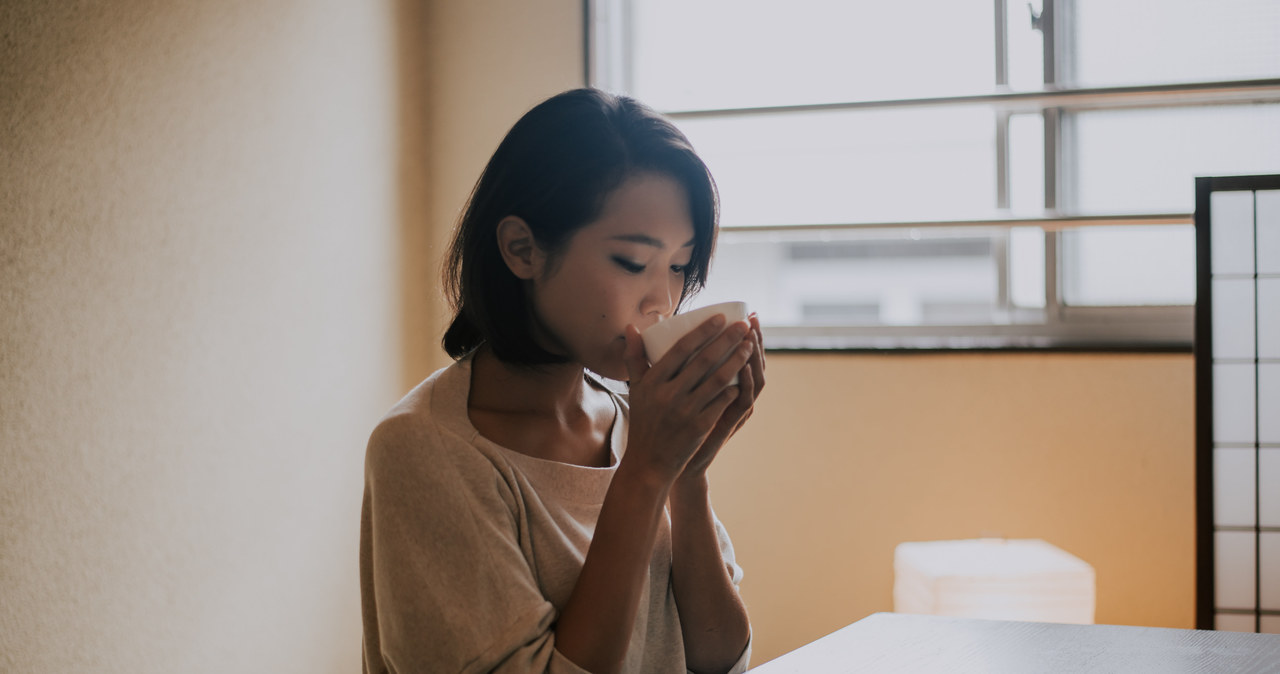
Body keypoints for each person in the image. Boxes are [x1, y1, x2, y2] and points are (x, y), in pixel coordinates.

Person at [359, 88, 766, 674]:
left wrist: (689, 473)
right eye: (631, 262)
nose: (663, 302)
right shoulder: (427, 450)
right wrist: (647, 473)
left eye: (679, 266)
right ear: (521, 249)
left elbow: (723, 661)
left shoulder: (634, 422)